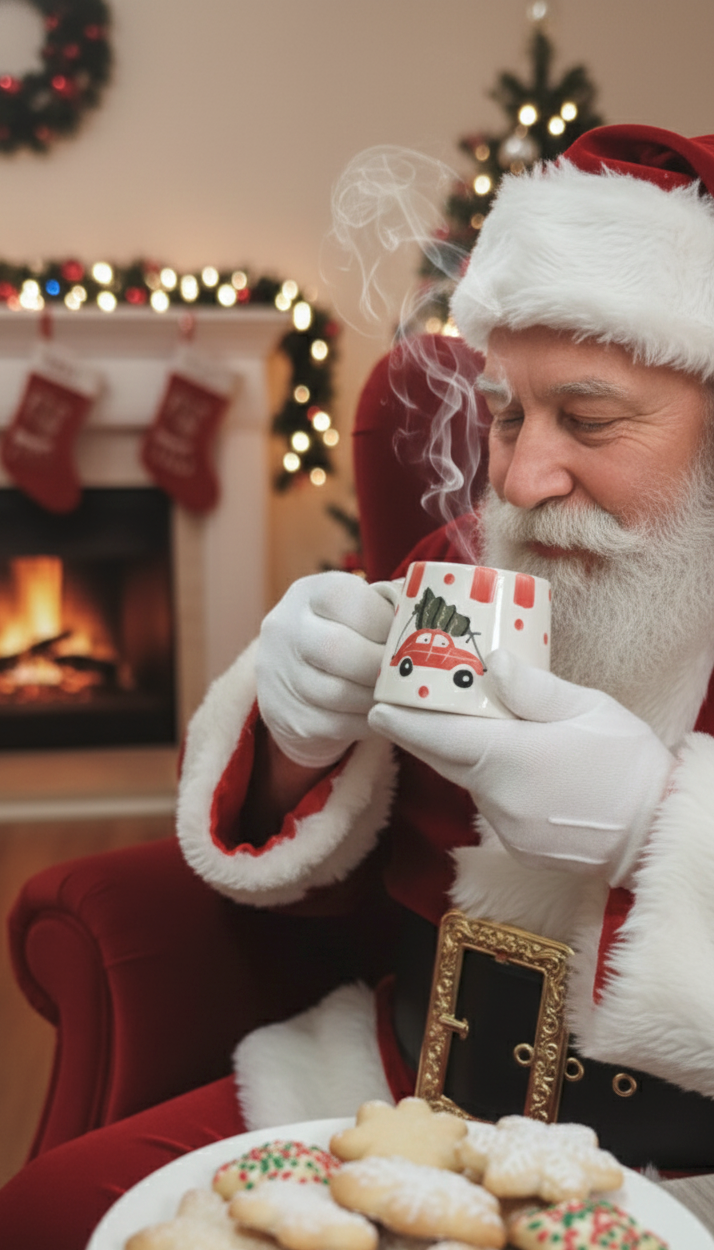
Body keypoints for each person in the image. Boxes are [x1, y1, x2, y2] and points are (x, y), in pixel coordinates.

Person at [2, 122, 714, 1249]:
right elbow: (316, 895)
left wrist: (656, 830)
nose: (524, 477)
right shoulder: (457, 558)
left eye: (588, 420)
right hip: (387, 1085)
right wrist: (292, 736)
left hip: (687, 1169)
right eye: (507, 413)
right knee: (43, 1213)